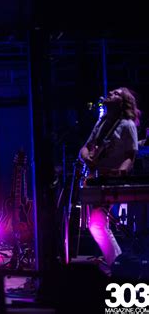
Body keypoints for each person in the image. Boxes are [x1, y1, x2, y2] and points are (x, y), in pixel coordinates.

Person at [79, 87, 140, 268]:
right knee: (96, 224)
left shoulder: (127, 125)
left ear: (122, 102)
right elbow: (86, 146)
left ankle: (117, 264)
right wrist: (86, 156)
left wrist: (120, 174)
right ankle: (117, 263)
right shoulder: (102, 121)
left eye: (115, 94)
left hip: (110, 180)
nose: (110, 94)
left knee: (97, 223)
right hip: (96, 178)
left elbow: (131, 155)